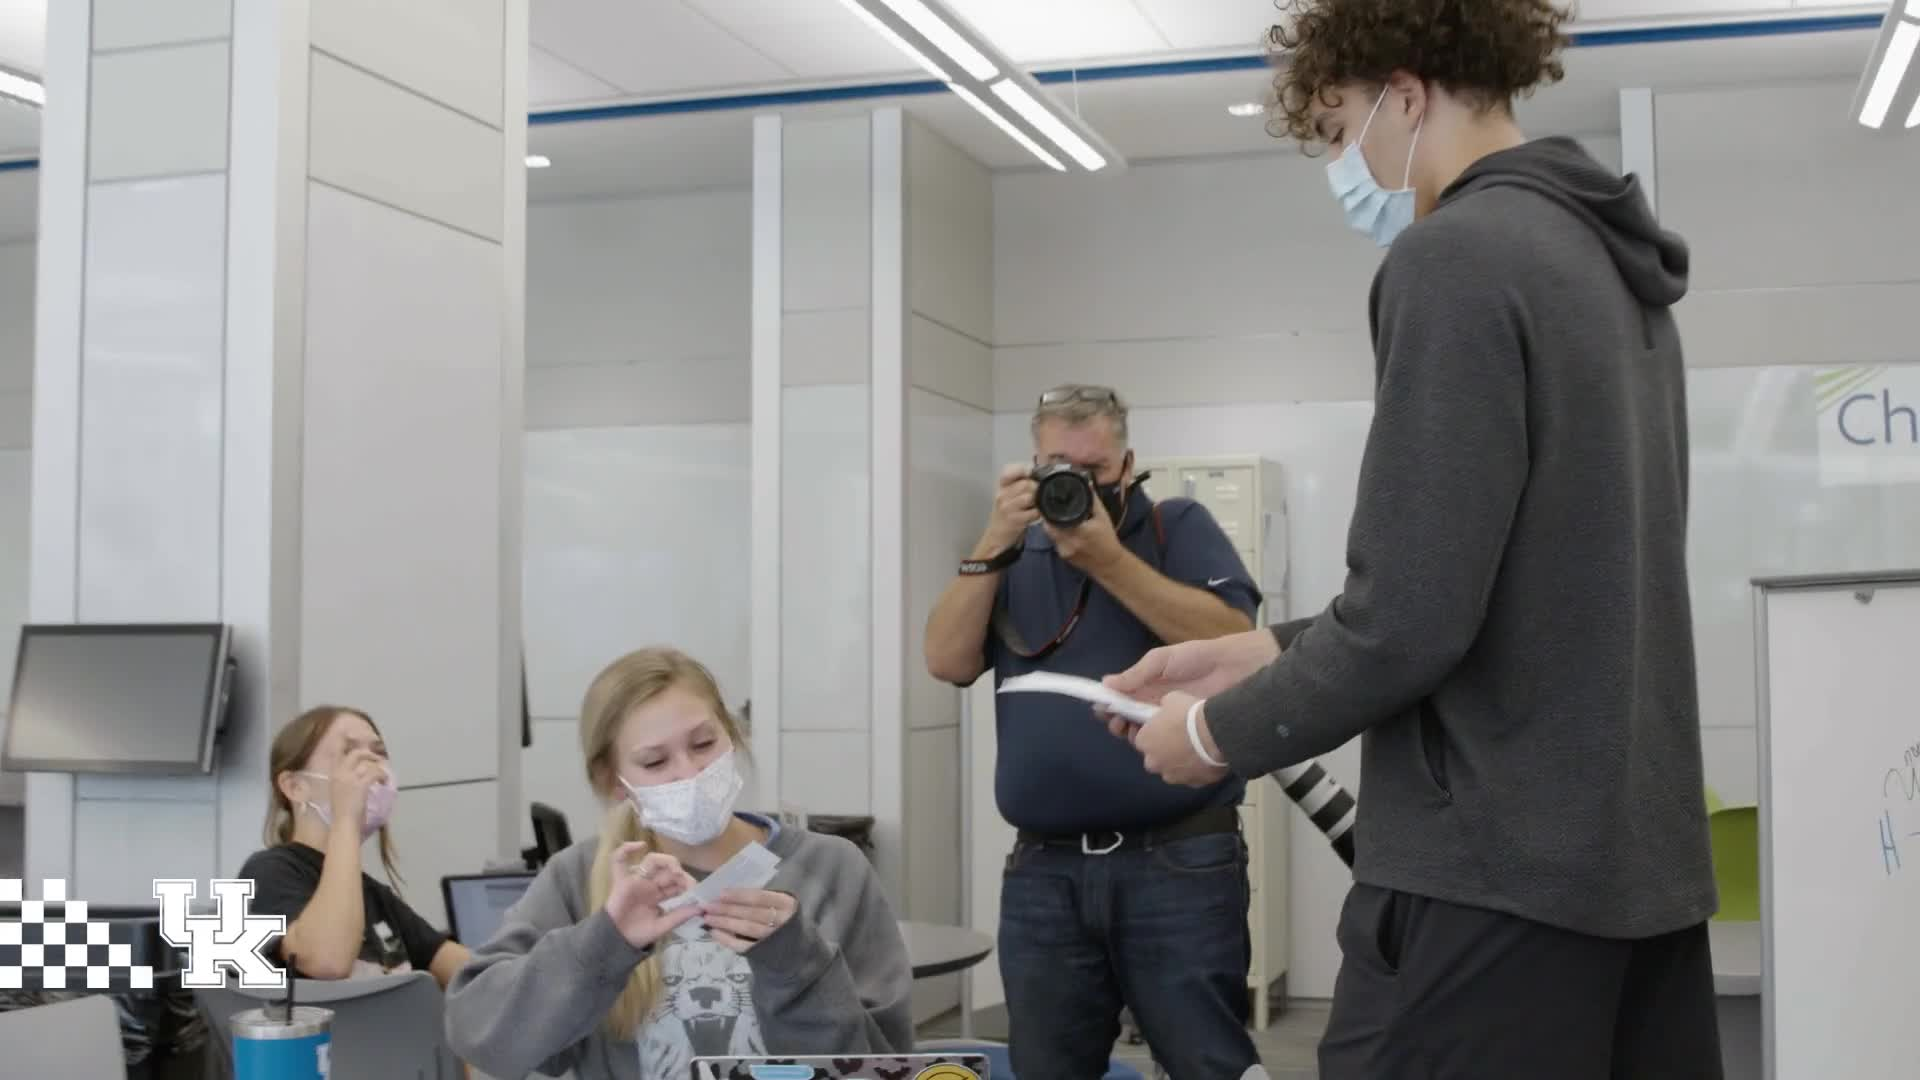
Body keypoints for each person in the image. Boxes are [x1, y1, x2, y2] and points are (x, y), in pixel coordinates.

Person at [1104, 2, 1721, 1077]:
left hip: (1489, 884)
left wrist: (1211, 738)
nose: (1345, 162)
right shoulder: (1617, 277)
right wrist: (1257, 650)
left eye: (1343, 127)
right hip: (1634, 875)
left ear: (1405, 92)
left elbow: (1409, 622)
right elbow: (1518, 580)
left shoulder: (1456, 260)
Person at [923, 385, 1264, 1078]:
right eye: (1059, 468)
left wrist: (1103, 558)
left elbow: (1238, 645)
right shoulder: (1010, 554)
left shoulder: (1177, 526)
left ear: (1127, 463)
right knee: (1047, 1067)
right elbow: (945, 659)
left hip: (1178, 863)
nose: (1078, 485)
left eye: (1096, 470)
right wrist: (994, 540)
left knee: (1209, 1062)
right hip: (1044, 874)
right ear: (1032, 466)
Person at [444, 647, 912, 1080]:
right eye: (654, 762)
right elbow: (485, 1038)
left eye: (704, 744)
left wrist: (798, 963)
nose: (689, 772)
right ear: (616, 783)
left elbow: (882, 1065)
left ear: (732, 737)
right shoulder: (579, 878)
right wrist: (604, 942)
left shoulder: (831, 869)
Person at [239, 706, 470, 986]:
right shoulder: (269, 872)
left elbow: (467, 972)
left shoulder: (372, 894)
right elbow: (327, 961)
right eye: (349, 753)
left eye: (378, 753)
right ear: (295, 787)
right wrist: (346, 818)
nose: (372, 766)